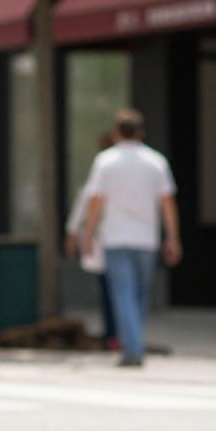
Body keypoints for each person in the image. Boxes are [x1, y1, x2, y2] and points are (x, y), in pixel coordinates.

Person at [79, 110, 180, 367]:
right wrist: (173, 237)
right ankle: (134, 344)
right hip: (147, 239)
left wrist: (88, 233)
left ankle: (132, 348)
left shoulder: (106, 161)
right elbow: (167, 203)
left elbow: (95, 201)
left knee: (123, 294)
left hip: (115, 237)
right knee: (139, 296)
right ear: (141, 132)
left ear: (115, 133)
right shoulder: (156, 162)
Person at [66, 129, 118, 351]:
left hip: (109, 241)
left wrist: (76, 235)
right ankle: (122, 336)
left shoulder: (102, 169)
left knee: (110, 292)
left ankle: (113, 336)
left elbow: (84, 206)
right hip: (137, 240)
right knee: (127, 293)